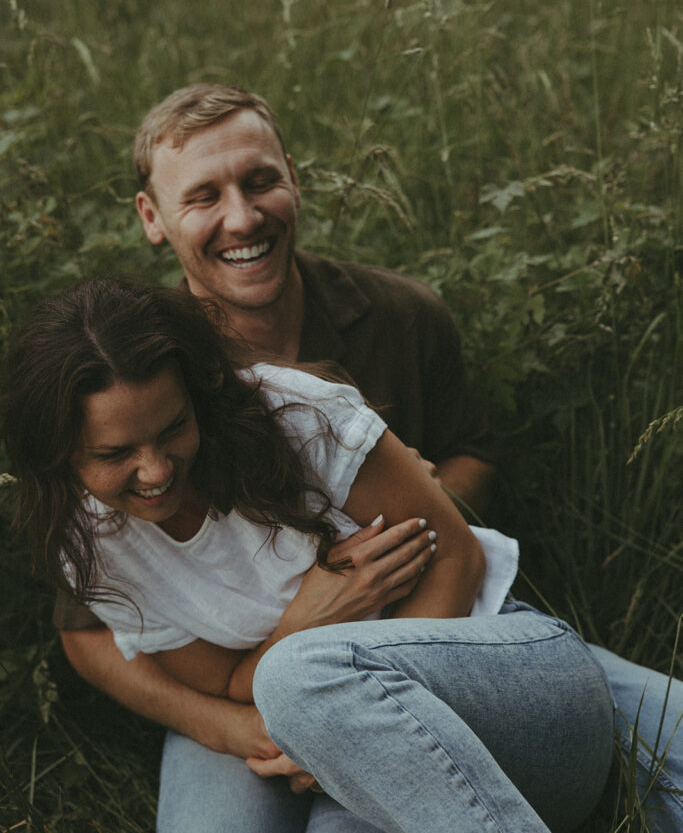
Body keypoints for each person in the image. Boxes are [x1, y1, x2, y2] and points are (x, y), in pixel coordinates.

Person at [54, 84, 682, 831]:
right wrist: (228, 722)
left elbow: (471, 464)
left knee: (655, 732)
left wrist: (407, 498)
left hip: (428, 618)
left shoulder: (397, 315)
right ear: (152, 217)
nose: (242, 218)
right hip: (246, 681)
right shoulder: (140, 378)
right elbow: (90, 632)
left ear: (295, 179)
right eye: (203, 196)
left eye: (260, 181)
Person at [4, 276, 615, 833]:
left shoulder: (296, 417)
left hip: (490, 664)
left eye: (173, 429)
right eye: (116, 454)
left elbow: (455, 557)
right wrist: (305, 626)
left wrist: (339, 719)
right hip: (303, 712)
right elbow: (226, 683)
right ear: (60, 453)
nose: (157, 470)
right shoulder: (90, 540)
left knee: (294, 676)